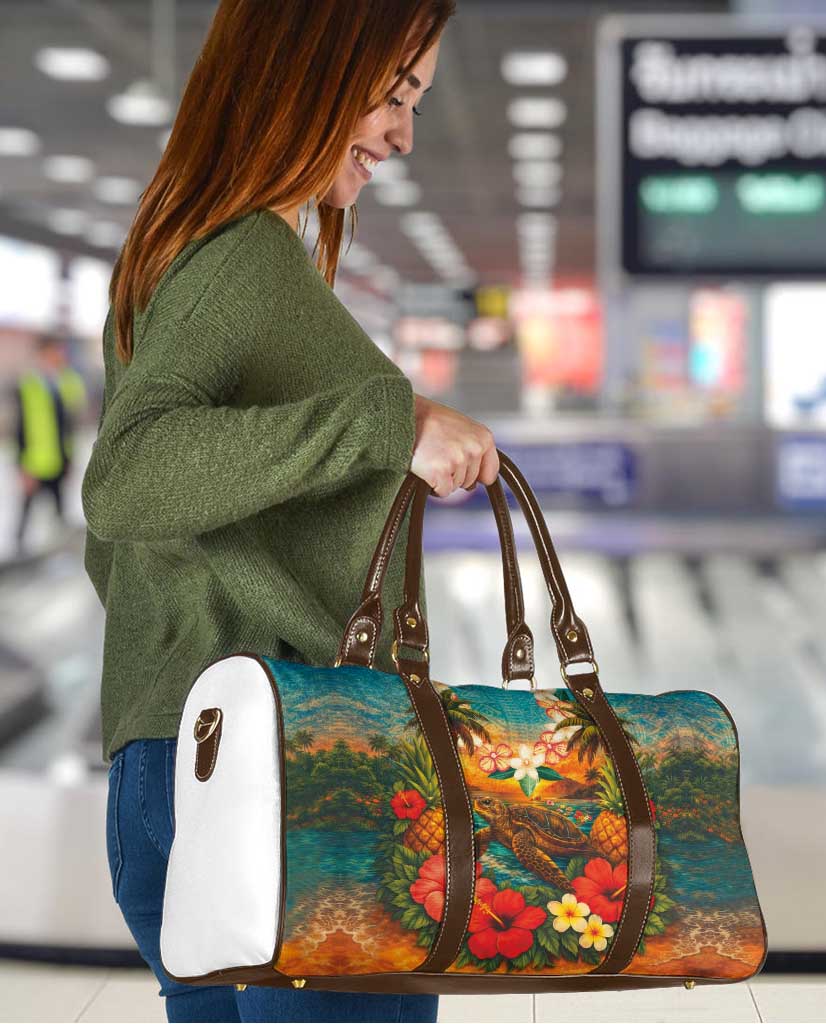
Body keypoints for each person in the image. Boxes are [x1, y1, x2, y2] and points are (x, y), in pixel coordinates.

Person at [80, 2, 495, 1021]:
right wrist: (386, 424)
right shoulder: (241, 258)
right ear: (310, 67)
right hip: (297, 773)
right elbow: (126, 476)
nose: (403, 133)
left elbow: (121, 546)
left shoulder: (183, 253)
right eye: (394, 94)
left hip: (181, 755)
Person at [11, 331, 85, 556]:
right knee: (26, 513)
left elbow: (70, 420)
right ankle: (18, 555)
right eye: (54, 351)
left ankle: (59, 554)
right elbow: (20, 428)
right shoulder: (28, 385)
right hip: (35, 463)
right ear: (43, 353)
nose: (59, 355)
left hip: (59, 460)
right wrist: (22, 467)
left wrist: (69, 459)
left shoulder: (64, 381)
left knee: (60, 512)